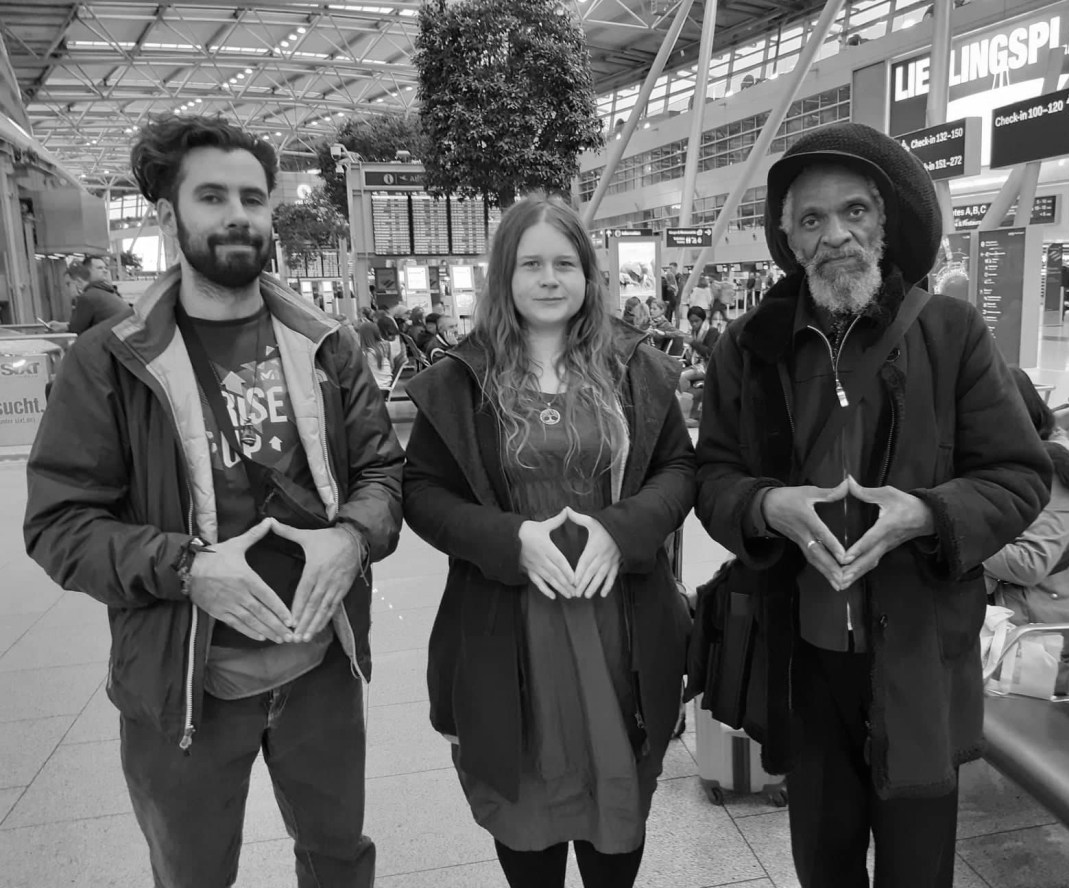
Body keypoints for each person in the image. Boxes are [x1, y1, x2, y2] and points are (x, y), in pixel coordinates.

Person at [23, 114, 404, 888]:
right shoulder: (111, 363)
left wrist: (353, 537)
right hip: (182, 686)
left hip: (320, 672)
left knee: (338, 858)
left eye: (253, 198)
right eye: (213, 196)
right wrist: (189, 569)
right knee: (192, 873)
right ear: (169, 216)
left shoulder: (328, 343)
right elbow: (59, 524)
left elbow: (384, 477)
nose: (239, 215)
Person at [694, 122, 1051, 888]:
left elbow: (1020, 475)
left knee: (918, 872)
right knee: (823, 869)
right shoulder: (749, 350)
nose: (835, 236)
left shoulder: (952, 335)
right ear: (788, 238)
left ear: (884, 223)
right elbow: (713, 477)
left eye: (854, 212)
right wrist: (767, 506)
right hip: (806, 660)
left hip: (919, 661)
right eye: (811, 220)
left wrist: (926, 513)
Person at [402, 194, 694, 888]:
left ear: (590, 276)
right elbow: (421, 494)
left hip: (617, 626)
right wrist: (511, 539)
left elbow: (681, 470)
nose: (549, 278)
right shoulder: (458, 382)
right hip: (511, 632)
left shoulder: (637, 369)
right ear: (503, 275)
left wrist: (619, 533)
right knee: (525, 816)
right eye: (530, 263)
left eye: (566, 263)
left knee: (616, 822)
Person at [984, 368, 1069, 697]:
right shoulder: (1012, 457)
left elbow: (1030, 562)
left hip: (1034, 633)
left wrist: (959, 537)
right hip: (1001, 618)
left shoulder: (1062, 468)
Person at [47, 256, 130, 334]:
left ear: (78, 282)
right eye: (100, 268)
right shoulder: (107, 292)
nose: (105, 271)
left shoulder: (88, 297)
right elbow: (84, 324)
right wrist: (64, 326)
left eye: (68, 284)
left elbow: (77, 330)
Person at [678, 305, 719, 426]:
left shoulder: (711, 332)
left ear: (703, 320)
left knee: (682, 377)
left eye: (696, 321)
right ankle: (687, 410)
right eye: (691, 322)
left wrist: (693, 343)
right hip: (696, 365)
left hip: (707, 366)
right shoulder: (693, 332)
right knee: (675, 374)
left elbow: (709, 353)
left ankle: (688, 410)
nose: (694, 324)